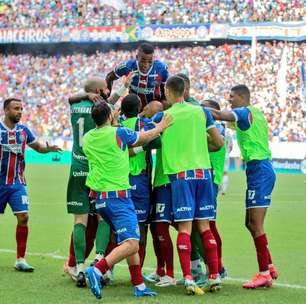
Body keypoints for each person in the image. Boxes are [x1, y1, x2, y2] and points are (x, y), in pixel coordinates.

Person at [83, 101, 171, 299]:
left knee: (127, 238)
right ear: (109, 117)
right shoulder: (118, 133)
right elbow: (144, 137)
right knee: (132, 243)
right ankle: (97, 270)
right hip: (118, 197)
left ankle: (139, 285)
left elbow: (119, 152)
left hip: (100, 199)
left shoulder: (88, 137)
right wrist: (160, 127)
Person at [152, 76, 224, 295]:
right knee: (204, 227)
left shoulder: (165, 115)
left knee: (185, 229)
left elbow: (146, 134)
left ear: (168, 91)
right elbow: (219, 142)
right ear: (185, 90)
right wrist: (199, 145)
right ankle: (214, 276)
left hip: (181, 177)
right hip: (204, 174)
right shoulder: (201, 111)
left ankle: (189, 279)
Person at [209, 84, 278, 289]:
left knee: (255, 224)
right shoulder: (253, 115)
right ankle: (269, 265)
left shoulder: (244, 112)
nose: (229, 100)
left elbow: (220, 115)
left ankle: (264, 273)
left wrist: (196, 109)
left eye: (231, 97)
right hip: (257, 170)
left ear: (241, 97)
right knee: (250, 223)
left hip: (260, 170)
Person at [0, 97, 61, 272]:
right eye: (15, 108)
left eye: (21, 108)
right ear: (6, 110)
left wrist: (48, 149)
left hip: (17, 182)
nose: (19, 111)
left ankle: (20, 259)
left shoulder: (24, 130)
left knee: (24, 217)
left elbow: (38, 147)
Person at [65, 77, 112, 287]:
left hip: (77, 168)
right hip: (97, 170)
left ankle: (80, 268)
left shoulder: (75, 106)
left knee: (79, 221)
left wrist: (84, 94)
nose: (108, 90)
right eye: (105, 87)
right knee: (103, 218)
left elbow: (70, 98)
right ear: (98, 91)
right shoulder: (105, 108)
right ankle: (99, 260)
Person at [120, 94, 155, 268]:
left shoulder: (117, 125)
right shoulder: (142, 124)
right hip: (139, 179)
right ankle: (138, 271)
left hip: (119, 179)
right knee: (141, 227)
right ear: (140, 107)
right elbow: (156, 139)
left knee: (117, 226)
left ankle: (108, 271)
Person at [106, 43, 169, 109]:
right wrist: (106, 97)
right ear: (137, 57)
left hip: (153, 109)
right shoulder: (127, 66)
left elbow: (165, 89)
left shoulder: (162, 68)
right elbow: (109, 77)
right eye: (143, 61)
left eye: (150, 62)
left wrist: (163, 104)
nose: (146, 65)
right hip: (133, 108)